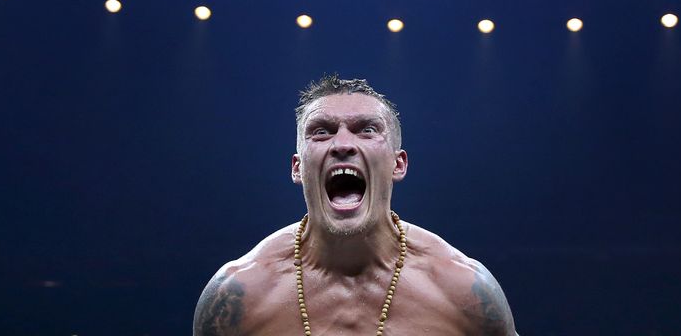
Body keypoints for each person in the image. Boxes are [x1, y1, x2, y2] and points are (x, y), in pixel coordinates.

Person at [193, 75, 519, 335]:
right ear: (297, 168)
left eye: (367, 130)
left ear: (397, 164)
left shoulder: (463, 290)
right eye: (321, 132)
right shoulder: (238, 295)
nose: (344, 144)